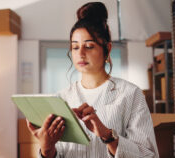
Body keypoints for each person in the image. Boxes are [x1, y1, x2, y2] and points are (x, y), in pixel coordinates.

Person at [26, 2, 159, 158]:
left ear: (107, 49)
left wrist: (107, 135)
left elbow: (149, 155)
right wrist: (47, 149)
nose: (80, 53)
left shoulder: (130, 94)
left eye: (89, 46)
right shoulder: (61, 98)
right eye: (75, 47)